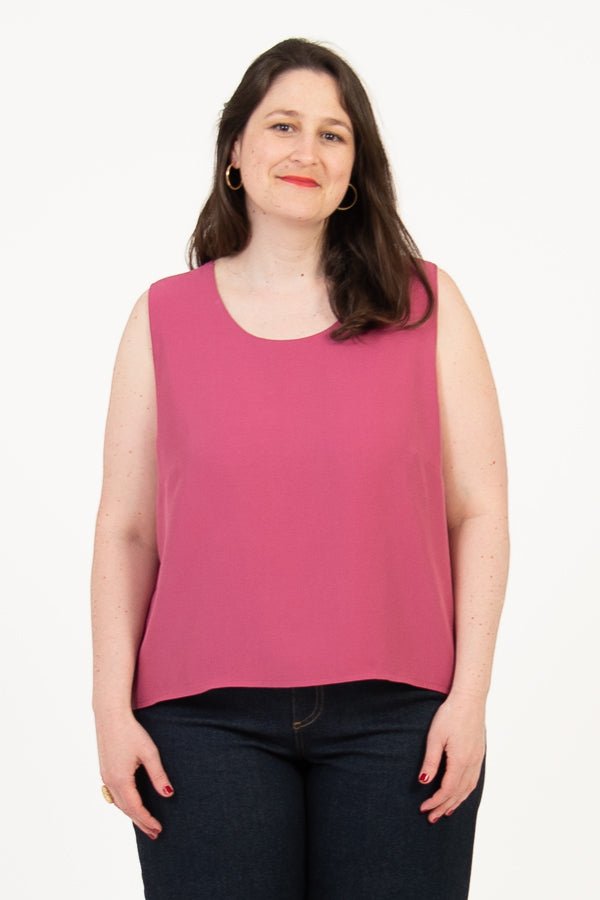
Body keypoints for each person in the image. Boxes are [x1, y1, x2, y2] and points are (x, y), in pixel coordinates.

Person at [91, 36, 509, 900]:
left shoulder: (427, 305)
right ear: (236, 150)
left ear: (354, 170)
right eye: (283, 125)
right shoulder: (162, 318)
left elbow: (479, 510)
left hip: (401, 722)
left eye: (332, 134)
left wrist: (470, 698)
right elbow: (127, 530)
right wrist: (108, 707)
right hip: (199, 727)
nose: (305, 151)